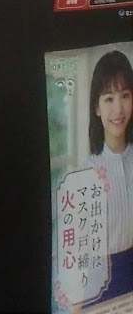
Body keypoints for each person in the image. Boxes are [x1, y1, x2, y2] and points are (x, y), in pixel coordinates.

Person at [84, 50, 133, 303]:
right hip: (99, 282)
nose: (118, 109)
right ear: (97, 107)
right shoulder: (87, 171)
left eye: (125, 95)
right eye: (109, 98)